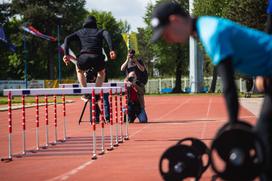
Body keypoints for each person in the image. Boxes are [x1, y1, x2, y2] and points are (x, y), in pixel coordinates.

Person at [151, 1, 272, 180]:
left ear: (175, 20)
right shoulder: (205, 25)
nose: (167, 40)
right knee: (263, 141)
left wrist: (233, 128)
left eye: (165, 33)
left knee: (264, 140)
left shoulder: (211, 33)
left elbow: (229, 86)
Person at [63, 15, 116, 102]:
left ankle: (86, 93)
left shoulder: (80, 32)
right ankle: (97, 93)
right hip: (97, 58)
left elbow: (67, 38)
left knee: (79, 70)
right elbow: (107, 34)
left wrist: (66, 54)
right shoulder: (100, 31)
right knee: (102, 73)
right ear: (95, 24)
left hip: (84, 58)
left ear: (85, 24)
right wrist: (111, 49)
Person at [121, 50, 148, 123]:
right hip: (130, 105)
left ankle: (140, 112)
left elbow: (142, 69)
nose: (131, 56)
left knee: (144, 120)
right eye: (130, 55)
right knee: (128, 121)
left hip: (138, 103)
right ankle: (126, 110)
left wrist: (136, 62)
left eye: (132, 55)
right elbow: (121, 69)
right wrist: (127, 59)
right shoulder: (127, 61)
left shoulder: (138, 61)